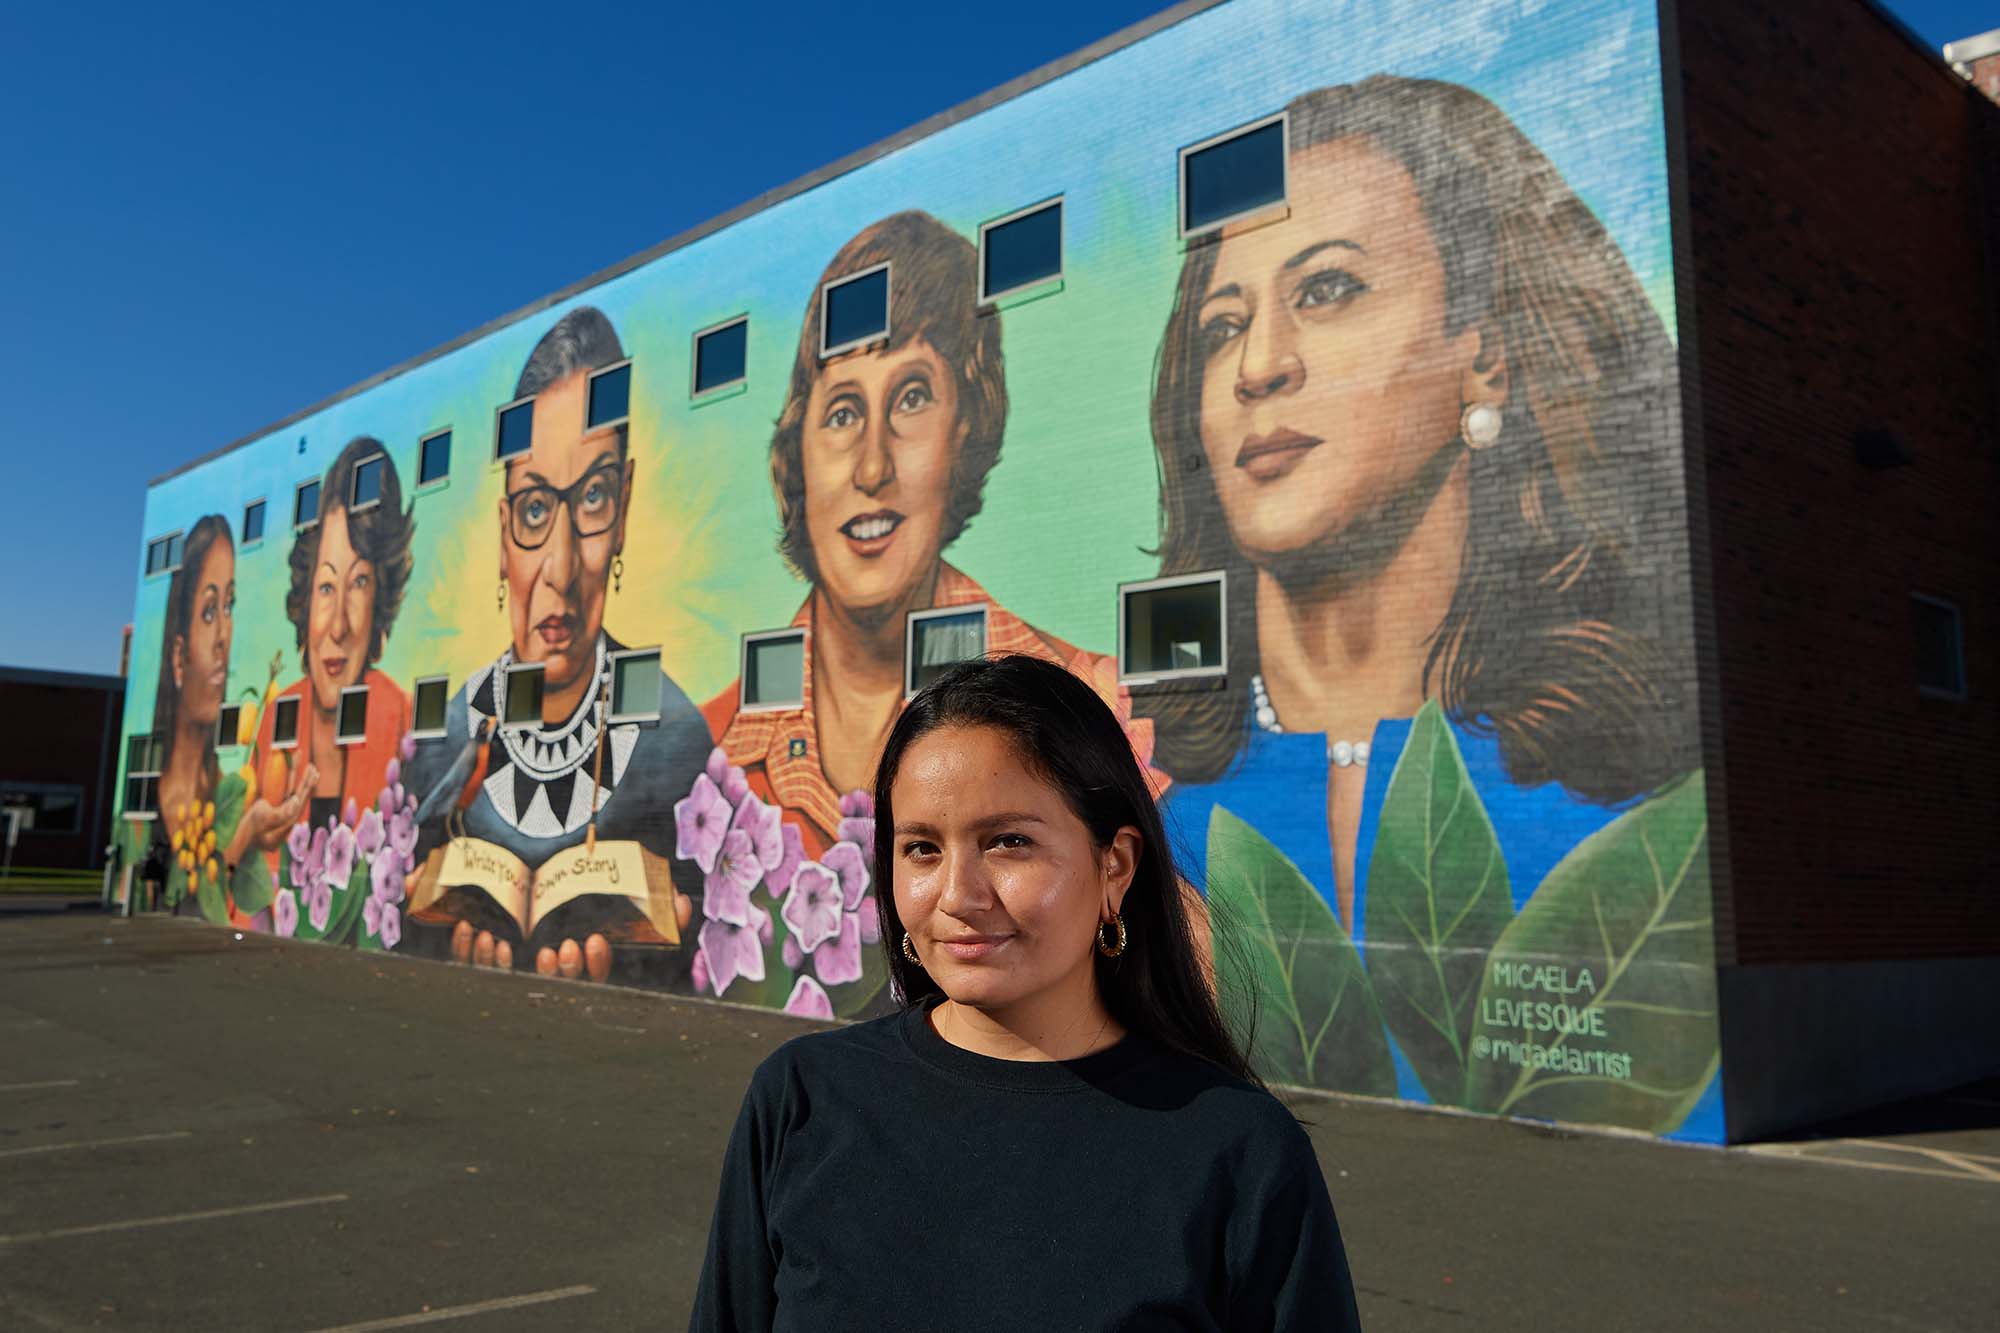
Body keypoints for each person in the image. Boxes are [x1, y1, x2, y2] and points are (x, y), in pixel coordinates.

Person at [1147, 75, 1697, 934]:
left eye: (1327, 288)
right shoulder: (1154, 794)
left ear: (1486, 358)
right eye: (1222, 327)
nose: (1258, 365)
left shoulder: (1629, 790)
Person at [689, 655, 1359, 1330]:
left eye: (1008, 841)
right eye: (921, 847)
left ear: (1115, 866)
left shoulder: (1241, 1154)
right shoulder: (800, 1103)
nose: (958, 895)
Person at [704, 211, 1162, 856]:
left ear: (964, 437)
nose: (872, 467)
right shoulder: (714, 742)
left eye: (912, 398)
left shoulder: (1086, 710)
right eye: (841, 412)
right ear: (797, 452)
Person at [401, 305, 710, 983]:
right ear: (504, 529)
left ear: (624, 508)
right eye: (537, 509)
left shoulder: (679, 738)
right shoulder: (448, 732)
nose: (561, 567)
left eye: (593, 498)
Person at [245, 438, 412, 864]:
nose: (338, 625)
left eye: (359, 583)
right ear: (304, 602)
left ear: (379, 605)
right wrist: (252, 834)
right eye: (325, 587)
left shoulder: (401, 719)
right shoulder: (277, 718)